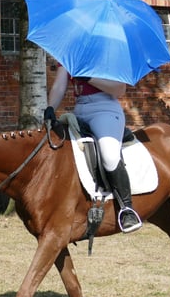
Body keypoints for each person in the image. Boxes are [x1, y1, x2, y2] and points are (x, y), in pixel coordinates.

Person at [44, 63, 142, 233]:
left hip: (104, 109)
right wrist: (50, 107)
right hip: (79, 109)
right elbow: (60, 84)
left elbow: (119, 89)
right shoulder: (72, 54)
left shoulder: (108, 53)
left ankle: (127, 209)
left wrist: (89, 78)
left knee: (109, 155)